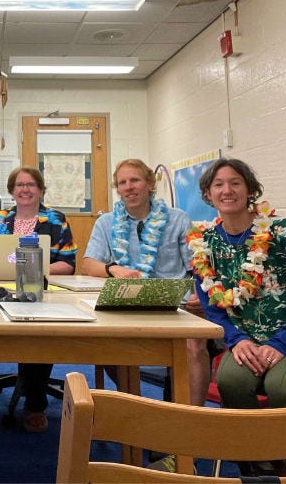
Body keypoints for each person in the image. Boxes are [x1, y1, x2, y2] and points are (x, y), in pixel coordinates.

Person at [81, 158, 210, 407]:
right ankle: (138, 408)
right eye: (122, 182)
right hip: (127, 302)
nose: (129, 187)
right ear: (117, 189)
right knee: (106, 345)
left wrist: (199, 297)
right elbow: (88, 264)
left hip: (176, 305)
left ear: (150, 184)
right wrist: (113, 268)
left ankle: (193, 422)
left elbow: (198, 267)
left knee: (194, 345)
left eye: (135, 180)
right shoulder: (106, 222)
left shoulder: (178, 219)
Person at [188, 158, 286, 476]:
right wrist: (237, 339)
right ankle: (257, 464)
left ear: (250, 190)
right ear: (208, 193)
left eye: (235, 183)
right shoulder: (204, 243)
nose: (226, 190)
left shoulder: (280, 235)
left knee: (281, 387)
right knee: (231, 380)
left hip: (283, 334)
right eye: (218, 184)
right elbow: (213, 304)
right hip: (242, 338)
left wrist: (281, 342)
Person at [0, 166, 77, 431]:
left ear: (40, 190)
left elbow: (68, 265)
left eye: (31, 185)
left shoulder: (56, 220)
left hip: (40, 292)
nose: (25, 190)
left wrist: (33, 269)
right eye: (19, 185)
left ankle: (35, 405)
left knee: (40, 337)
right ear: (12, 191)